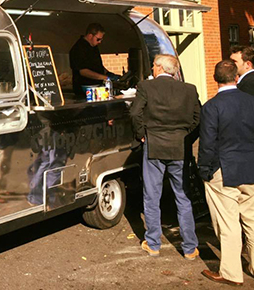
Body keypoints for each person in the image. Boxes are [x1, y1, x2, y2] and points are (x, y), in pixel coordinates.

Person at [130, 54, 200, 260]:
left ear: (160, 68)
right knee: (183, 196)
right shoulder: (189, 89)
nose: (152, 69)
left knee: (152, 196)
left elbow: (135, 113)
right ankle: (189, 248)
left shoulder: (146, 87)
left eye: (153, 66)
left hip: (154, 145)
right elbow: (198, 118)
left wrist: (142, 134)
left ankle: (153, 244)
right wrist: (187, 137)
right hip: (180, 146)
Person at [199, 59, 254, 286]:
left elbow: (208, 143)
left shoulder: (212, 106)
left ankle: (231, 273)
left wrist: (205, 170)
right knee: (252, 219)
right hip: (250, 166)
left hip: (223, 169)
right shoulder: (251, 101)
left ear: (215, 79)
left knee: (228, 223)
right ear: (236, 77)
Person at [69, 23, 116, 95]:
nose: (99, 42)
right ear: (90, 36)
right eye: (98, 39)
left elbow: (98, 65)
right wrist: (105, 77)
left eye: (101, 39)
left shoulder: (94, 47)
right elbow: (83, 71)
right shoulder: (78, 49)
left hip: (97, 87)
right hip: (84, 89)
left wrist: (108, 73)